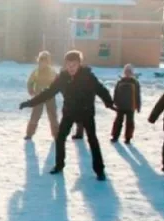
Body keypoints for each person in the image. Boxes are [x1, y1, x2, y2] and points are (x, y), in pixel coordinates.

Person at [19, 50, 116, 181]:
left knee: (92, 140)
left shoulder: (88, 76)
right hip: (69, 112)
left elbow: (101, 90)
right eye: (68, 65)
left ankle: (99, 170)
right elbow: (48, 92)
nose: (71, 68)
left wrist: (109, 103)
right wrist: (30, 103)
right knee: (60, 137)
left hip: (86, 112)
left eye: (74, 65)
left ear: (79, 64)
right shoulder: (62, 77)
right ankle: (59, 165)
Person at [24, 51, 59, 140]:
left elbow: (58, 82)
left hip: (49, 96)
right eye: (41, 60)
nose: (43, 63)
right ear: (39, 61)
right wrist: (30, 89)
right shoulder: (36, 71)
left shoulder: (52, 71)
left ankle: (56, 134)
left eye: (45, 61)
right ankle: (29, 133)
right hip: (38, 96)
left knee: (52, 115)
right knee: (35, 114)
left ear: (48, 62)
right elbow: (30, 82)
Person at [111, 64, 141, 144]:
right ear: (124, 72)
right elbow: (116, 93)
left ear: (132, 73)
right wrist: (114, 102)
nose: (128, 73)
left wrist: (138, 106)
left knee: (130, 123)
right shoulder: (120, 82)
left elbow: (137, 95)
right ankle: (115, 136)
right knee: (118, 122)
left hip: (131, 106)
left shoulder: (135, 82)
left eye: (129, 72)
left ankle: (128, 138)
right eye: (126, 72)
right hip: (120, 106)